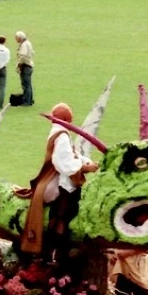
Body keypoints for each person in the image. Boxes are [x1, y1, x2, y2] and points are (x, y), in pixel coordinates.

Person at [19, 103, 98, 254]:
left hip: (57, 176)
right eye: (69, 119)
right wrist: (84, 168)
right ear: (65, 119)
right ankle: (54, 248)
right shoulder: (61, 135)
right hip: (57, 180)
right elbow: (63, 162)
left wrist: (87, 162)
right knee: (64, 213)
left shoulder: (59, 132)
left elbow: (73, 155)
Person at [15, 31, 34, 107]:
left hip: (25, 66)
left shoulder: (24, 45)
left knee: (25, 85)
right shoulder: (28, 43)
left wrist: (19, 65)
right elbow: (32, 52)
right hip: (29, 65)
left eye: (16, 38)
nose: (16, 40)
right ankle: (30, 100)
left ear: (20, 38)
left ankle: (26, 102)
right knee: (28, 85)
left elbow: (22, 56)